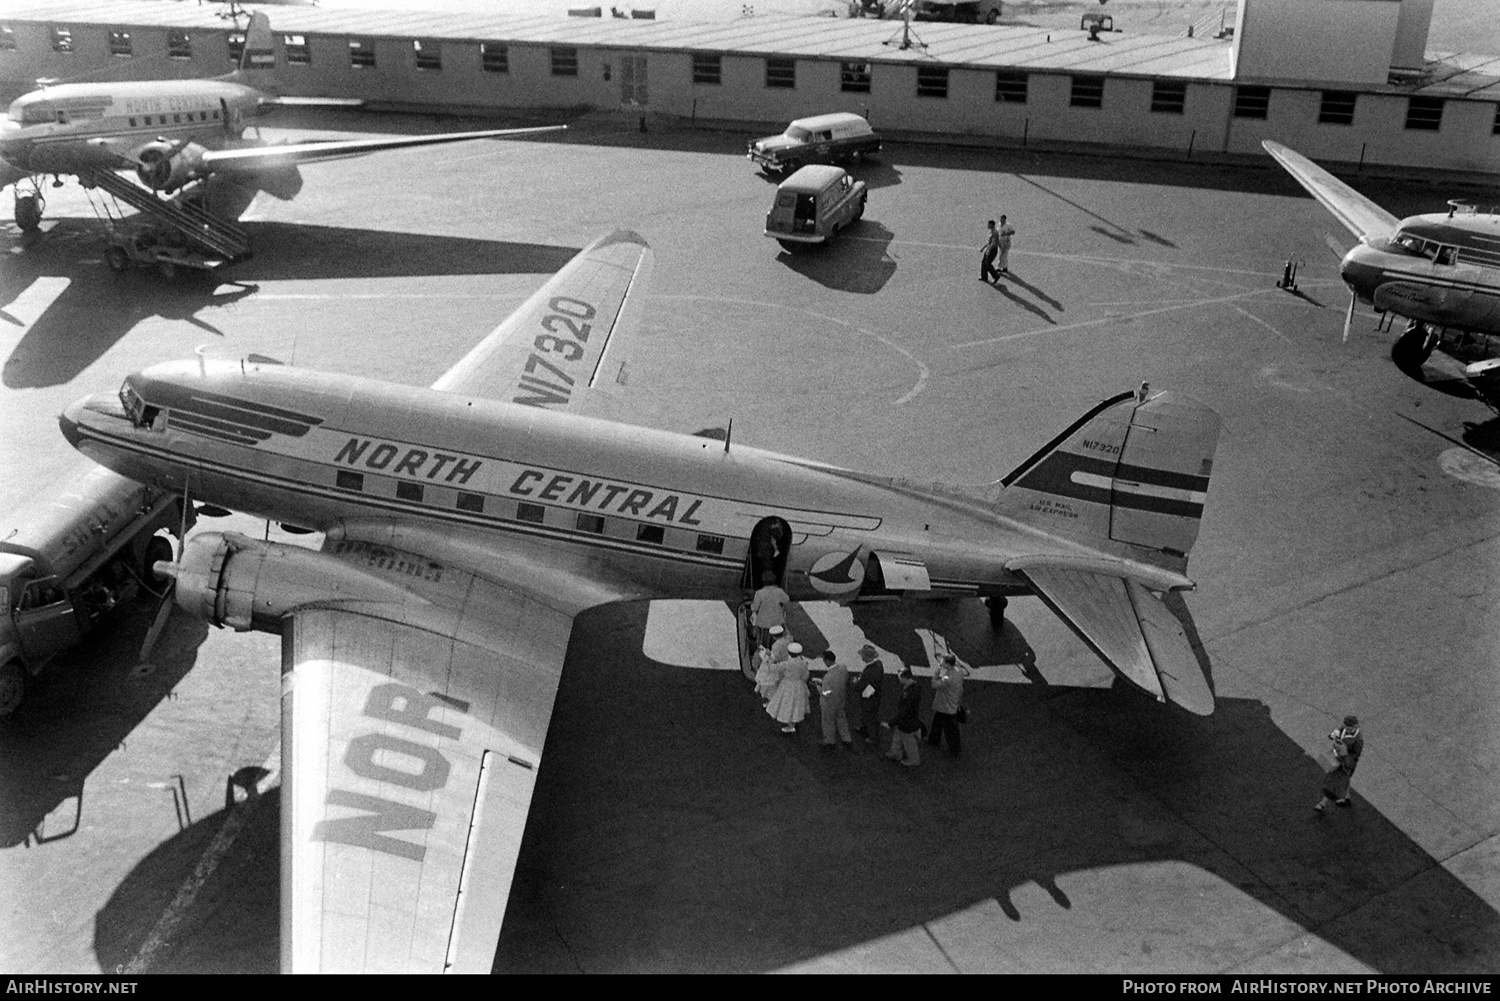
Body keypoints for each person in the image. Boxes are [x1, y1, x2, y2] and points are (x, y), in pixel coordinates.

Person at [1316, 715, 1364, 812]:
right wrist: (1333, 735)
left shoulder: (1358, 739)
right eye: (1347, 727)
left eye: (1351, 727)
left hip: (1347, 763)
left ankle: (1322, 803)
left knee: (1334, 782)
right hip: (1339, 759)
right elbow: (1332, 736)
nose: (1348, 729)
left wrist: (1344, 754)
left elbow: (1356, 754)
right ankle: (1346, 797)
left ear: (1355, 727)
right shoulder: (1342, 730)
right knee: (1344, 780)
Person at [766, 642, 810, 733]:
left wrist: (768, 660)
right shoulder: (804, 662)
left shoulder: (787, 663)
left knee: (787, 703)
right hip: (799, 684)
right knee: (796, 704)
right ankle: (793, 722)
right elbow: (806, 675)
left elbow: (773, 668)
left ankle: (789, 724)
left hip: (788, 685)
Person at [927, 653, 965, 757]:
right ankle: (933, 740)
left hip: (946, 706)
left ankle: (955, 749)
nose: (940, 662)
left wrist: (936, 673)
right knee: (937, 723)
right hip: (952, 702)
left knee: (951, 729)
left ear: (947, 663)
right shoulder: (959, 671)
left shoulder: (948, 678)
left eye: (942, 661)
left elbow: (934, 684)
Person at [815, 649, 853, 749]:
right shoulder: (843, 668)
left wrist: (819, 688)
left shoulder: (828, 677)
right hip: (841, 699)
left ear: (827, 661)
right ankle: (846, 738)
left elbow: (826, 693)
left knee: (828, 721)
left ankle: (829, 740)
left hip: (829, 703)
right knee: (841, 718)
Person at [884, 668, 922, 766]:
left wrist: (891, 723)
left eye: (900, 677)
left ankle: (914, 760)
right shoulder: (915, 687)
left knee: (909, 742)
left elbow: (904, 712)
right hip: (908, 720)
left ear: (904, 678)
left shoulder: (908, 693)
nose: (899, 680)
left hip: (906, 722)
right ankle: (895, 753)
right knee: (898, 737)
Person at [853, 644, 885, 742]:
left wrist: (856, 682)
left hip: (870, 698)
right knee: (867, 715)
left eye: (862, 655)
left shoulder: (869, 672)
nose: (861, 657)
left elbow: (861, 685)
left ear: (866, 657)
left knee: (870, 716)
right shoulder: (878, 665)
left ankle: (873, 737)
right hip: (874, 696)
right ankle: (865, 729)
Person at [750, 572, 790, 648]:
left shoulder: (759, 593)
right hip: (777, 621)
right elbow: (786, 599)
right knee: (777, 643)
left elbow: (755, 607)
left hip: (763, 623)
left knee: (763, 644)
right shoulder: (779, 591)